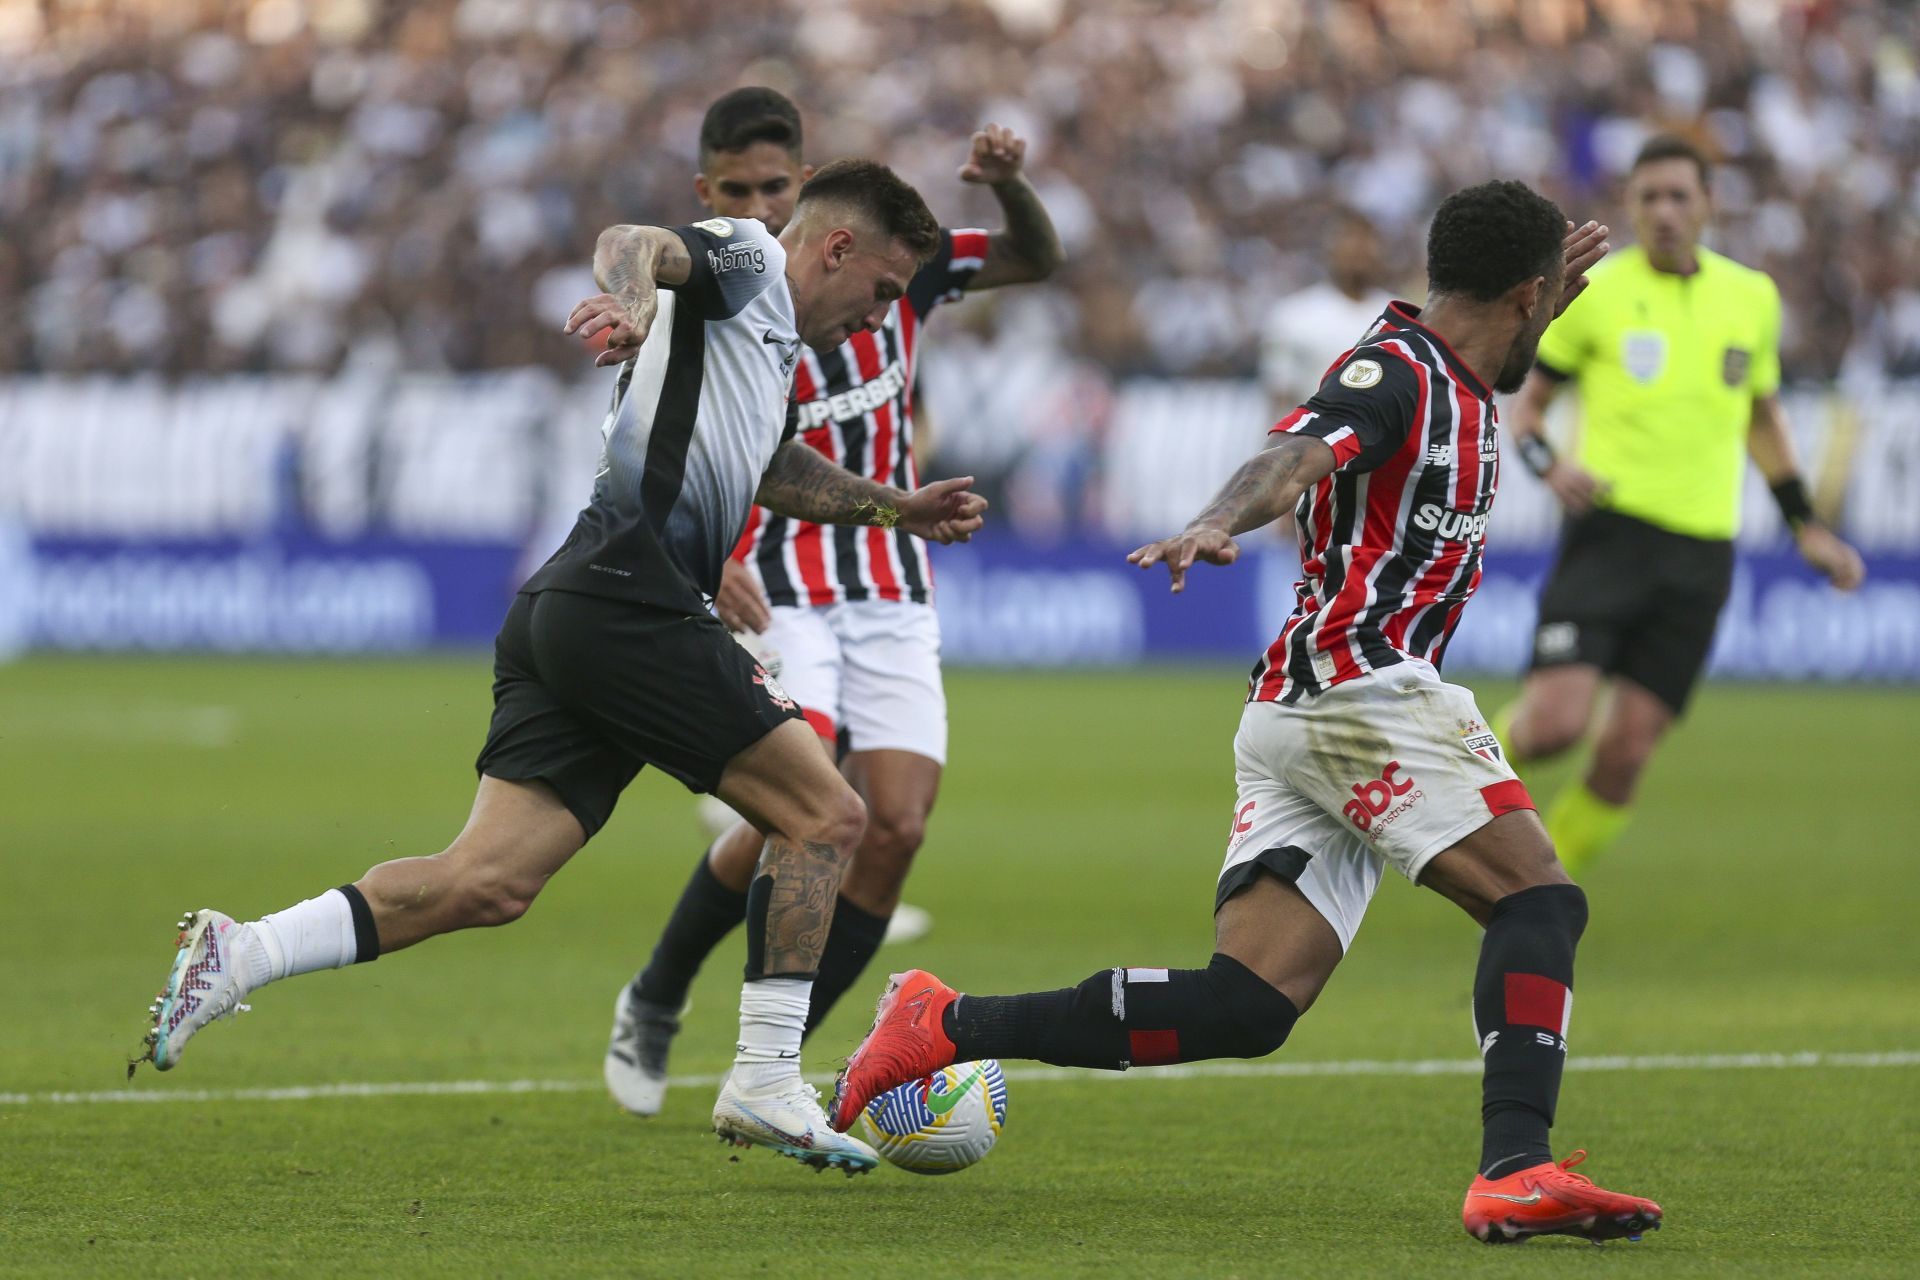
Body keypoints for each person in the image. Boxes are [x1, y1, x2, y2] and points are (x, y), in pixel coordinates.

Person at [829, 182, 1666, 1245]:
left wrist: (1544, 306)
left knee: (1249, 1002)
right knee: (1538, 900)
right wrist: (1217, 516)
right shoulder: (1393, 372)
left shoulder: (1457, 367)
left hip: (1296, 705)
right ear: (1522, 293)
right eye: (1545, 306)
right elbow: (1301, 449)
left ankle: (943, 1022)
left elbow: (1485, 356)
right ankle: (1515, 1164)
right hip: (1361, 687)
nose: (1549, 325)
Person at [137, 159, 987, 1176]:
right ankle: (765, 1075)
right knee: (829, 813)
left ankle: (241, 953)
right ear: (837, 247)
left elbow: (772, 469)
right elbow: (635, 243)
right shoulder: (754, 258)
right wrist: (633, 305)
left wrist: (900, 507)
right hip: (629, 594)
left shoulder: (769, 355)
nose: (877, 318)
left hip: (573, 605)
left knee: (486, 880)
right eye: (883, 292)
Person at [599, 88, 1062, 1119]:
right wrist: (695, 548)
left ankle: (777, 1063)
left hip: (892, 585)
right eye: (739, 190)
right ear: (706, 192)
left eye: (776, 186)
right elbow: (643, 434)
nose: (760, 206)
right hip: (782, 583)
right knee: (800, 809)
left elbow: (1037, 257)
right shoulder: (715, 291)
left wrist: (1010, 184)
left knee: (894, 824)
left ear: (808, 190)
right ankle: (659, 991)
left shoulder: (895, 264)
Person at [1501, 135, 1865, 876]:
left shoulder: (1750, 297)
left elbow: (1761, 417)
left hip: (1700, 551)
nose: (1664, 212)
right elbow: (1528, 410)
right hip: (1609, 534)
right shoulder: (1599, 294)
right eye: (1648, 198)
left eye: (1679, 196)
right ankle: (1440, 776)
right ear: (1630, 207)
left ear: (1708, 204)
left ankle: (1541, 893)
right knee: (1552, 729)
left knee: (1627, 751)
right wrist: (1549, 466)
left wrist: (1806, 525)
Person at [1260, 207, 1393, 417]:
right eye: (1349, 238)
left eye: (1367, 240)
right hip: (1316, 442)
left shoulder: (1401, 315)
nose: (1359, 249)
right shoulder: (1295, 315)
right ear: (1328, 249)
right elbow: (1280, 397)